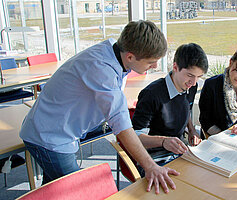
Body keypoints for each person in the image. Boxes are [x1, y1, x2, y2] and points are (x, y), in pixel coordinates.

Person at [20, 20, 179, 194]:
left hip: (58, 129)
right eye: (151, 62)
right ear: (131, 56)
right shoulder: (102, 68)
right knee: (79, 192)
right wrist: (150, 166)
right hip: (49, 137)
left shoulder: (116, 50)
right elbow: (121, 125)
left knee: (54, 192)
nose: (155, 66)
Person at [132, 43, 208, 175]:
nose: (194, 82)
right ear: (175, 67)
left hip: (179, 151)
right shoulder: (151, 94)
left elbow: (186, 107)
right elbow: (135, 137)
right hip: (152, 158)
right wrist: (163, 142)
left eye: (198, 77)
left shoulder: (190, 86)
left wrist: (191, 130)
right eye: (190, 75)